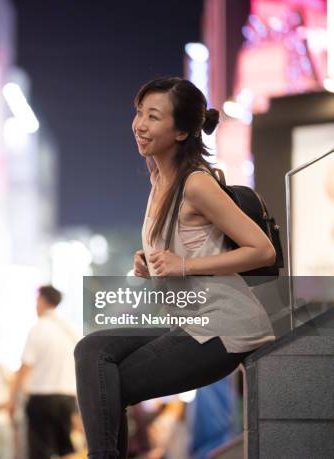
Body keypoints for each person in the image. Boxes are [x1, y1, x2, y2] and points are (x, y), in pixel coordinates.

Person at [73, 76, 276, 458]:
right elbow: (184, 243)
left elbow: (262, 250)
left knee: (111, 383)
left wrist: (184, 263)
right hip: (186, 323)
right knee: (91, 349)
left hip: (223, 327)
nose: (140, 125)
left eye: (154, 116)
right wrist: (149, 259)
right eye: (138, 113)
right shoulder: (157, 179)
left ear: (182, 131)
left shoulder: (196, 183)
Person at [8, 285, 79, 459]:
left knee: (40, 451)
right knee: (66, 448)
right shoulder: (70, 330)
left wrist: (12, 399)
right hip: (67, 399)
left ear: (42, 301)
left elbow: (25, 368)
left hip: (42, 399)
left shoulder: (39, 329)